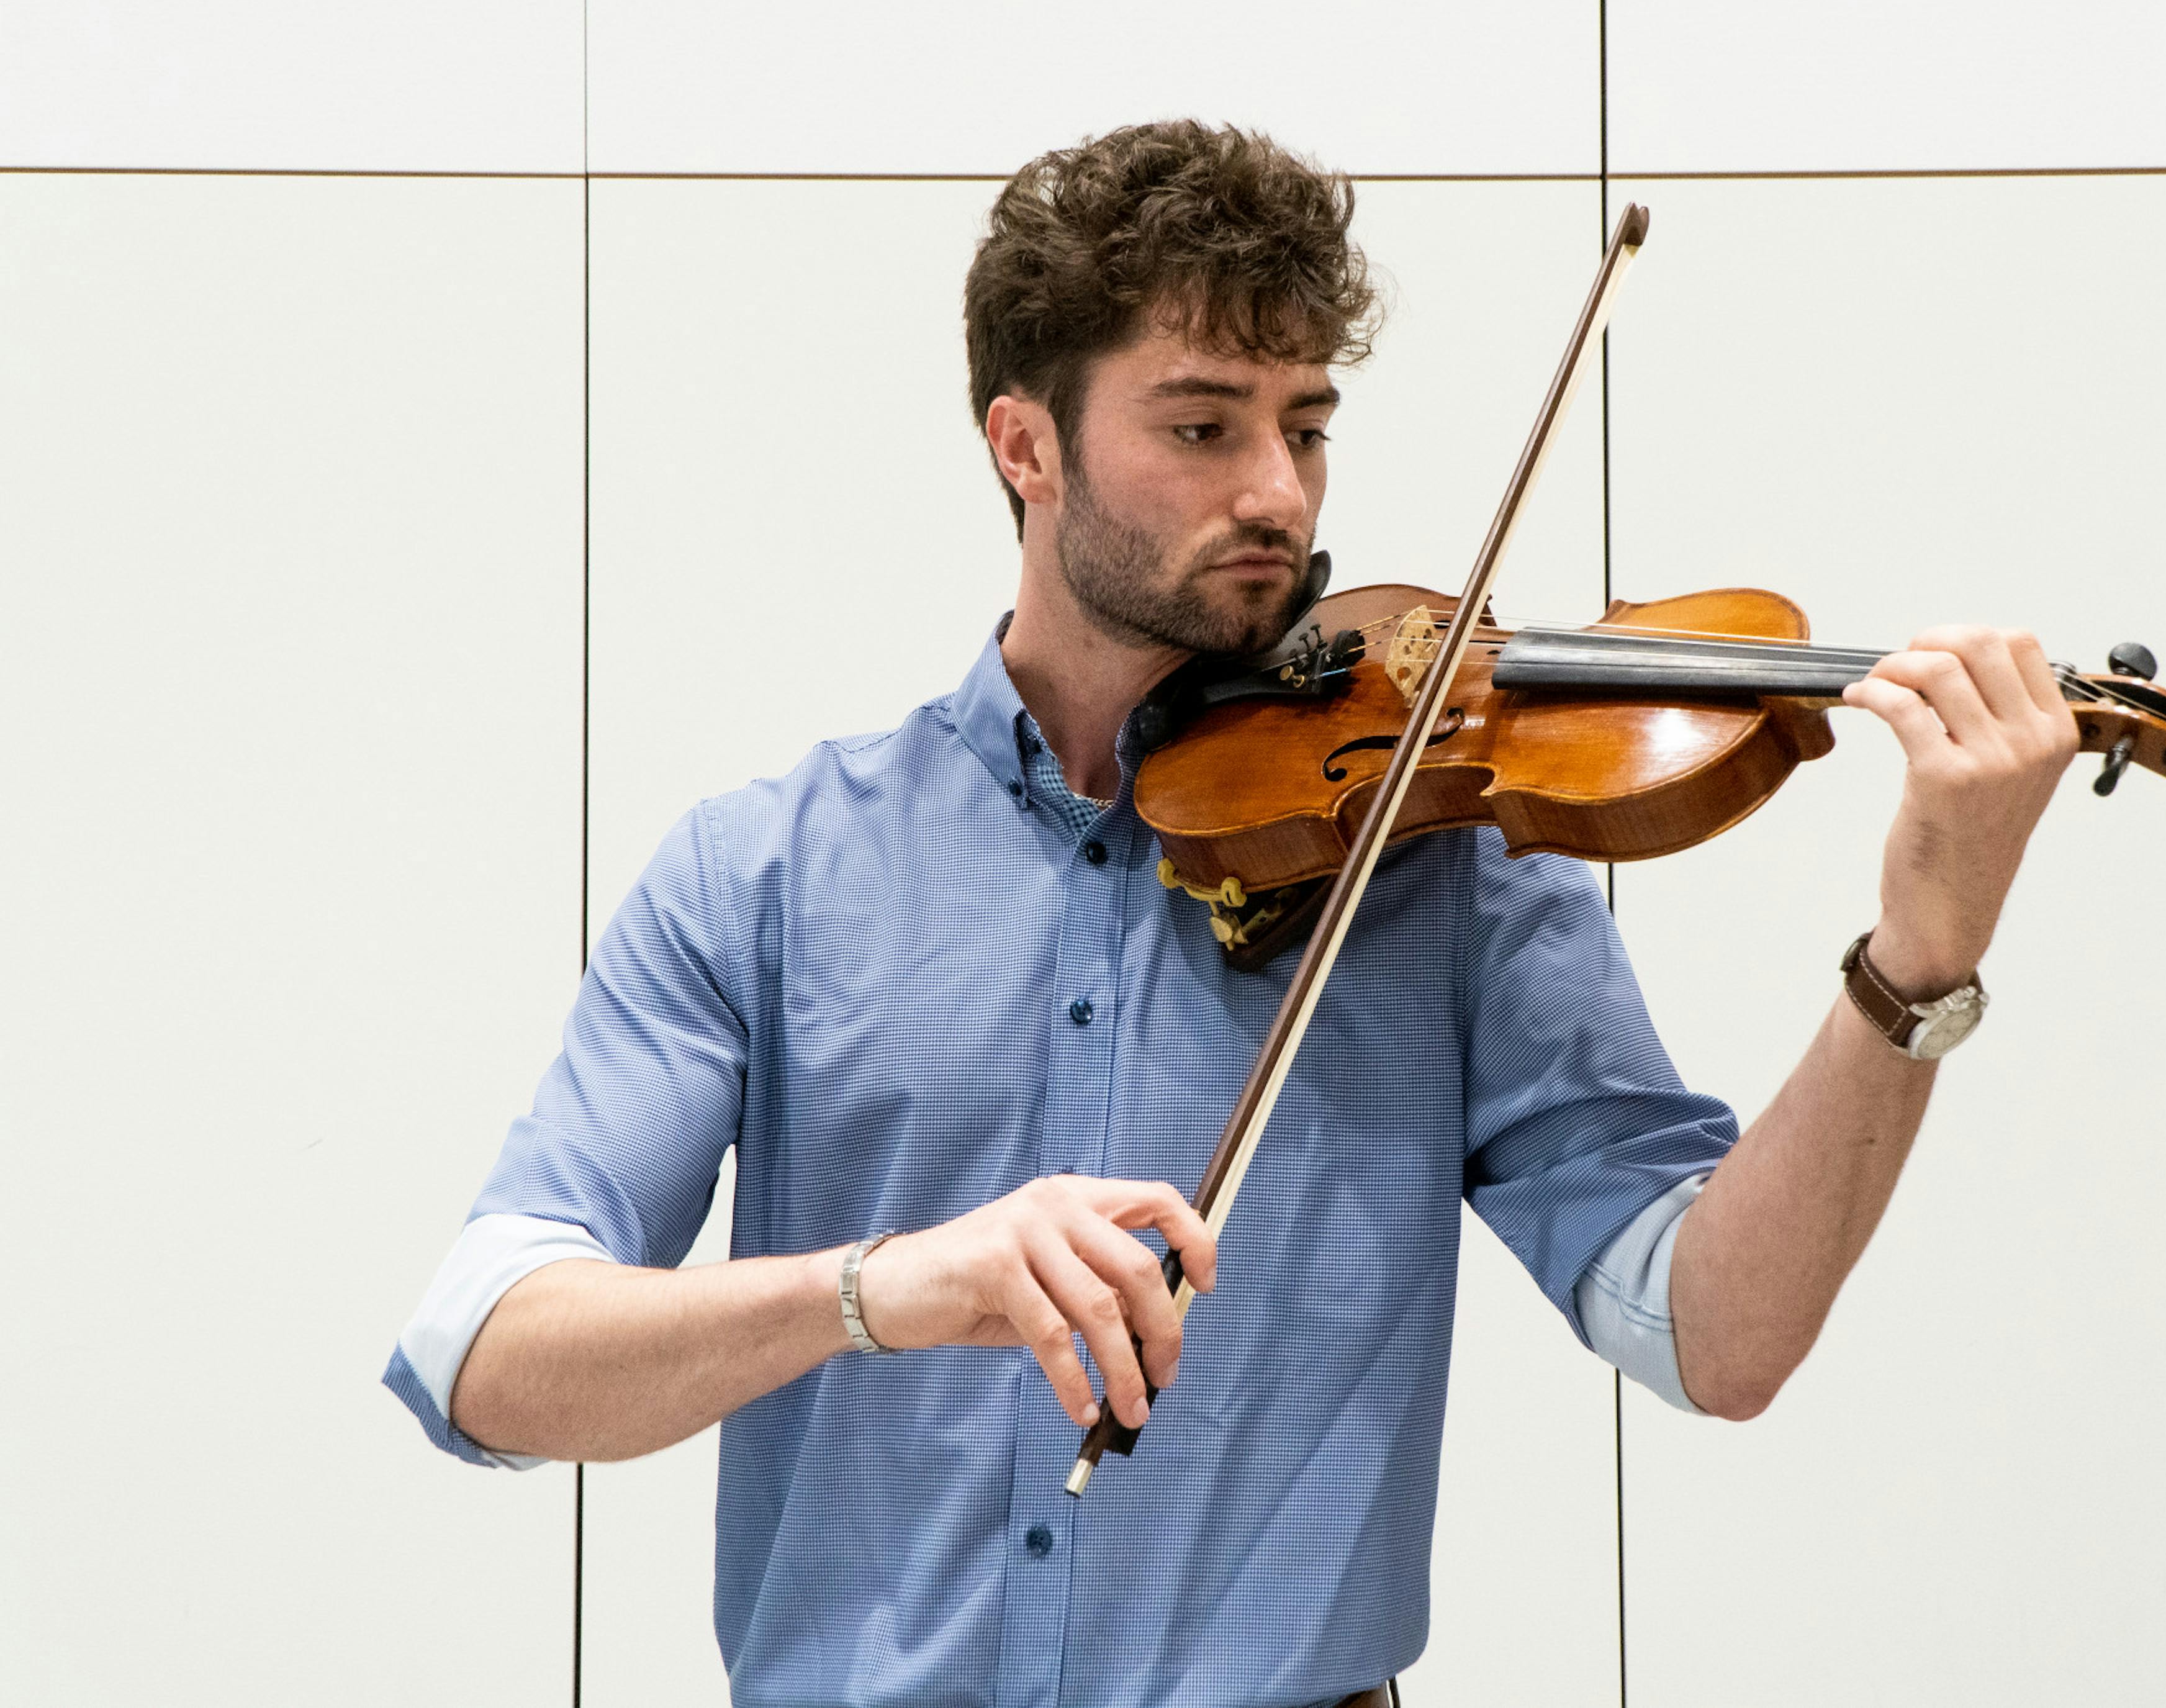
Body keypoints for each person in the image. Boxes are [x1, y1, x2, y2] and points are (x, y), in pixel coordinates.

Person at [384, 120, 2077, 1708]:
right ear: (1024, 443)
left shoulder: (1445, 855)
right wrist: (880, 1288)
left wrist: (1916, 957)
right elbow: (487, 1348)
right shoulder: (772, 869)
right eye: (1204, 426)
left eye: (1308, 424)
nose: (1278, 489)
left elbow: (1715, 1328)